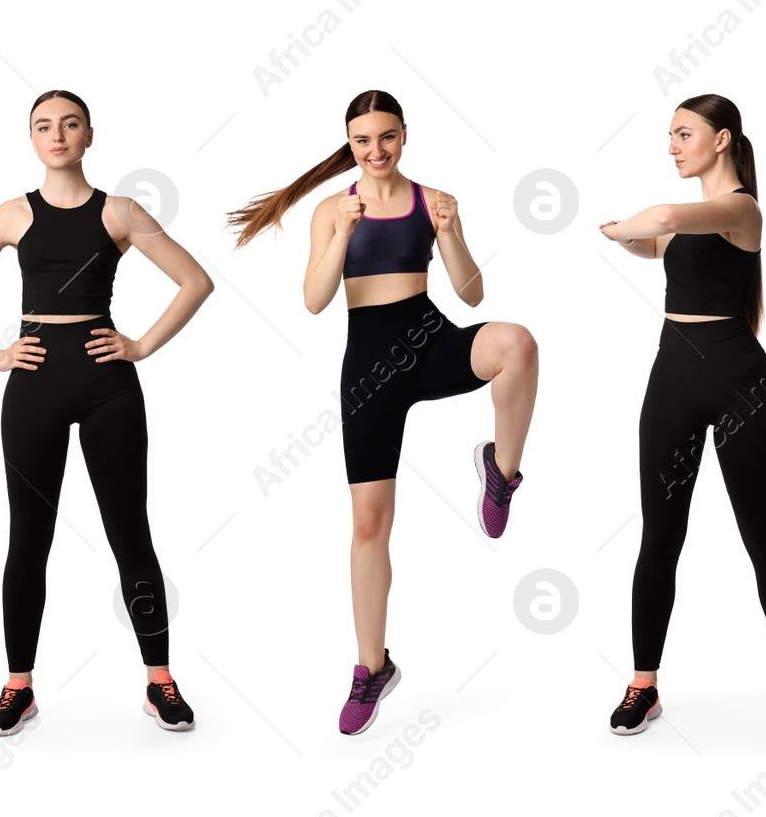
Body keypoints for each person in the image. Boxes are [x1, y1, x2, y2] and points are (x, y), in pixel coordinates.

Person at [226, 90, 540, 735]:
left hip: (430, 339)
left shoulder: (433, 200)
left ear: (405, 137)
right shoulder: (331, 209)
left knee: (517, 344)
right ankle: (372, 668)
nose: (376, 151)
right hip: (369, 366)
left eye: (387, 138)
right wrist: (340, 232)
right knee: (369, 524)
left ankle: (501, 472)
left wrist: (450, 233)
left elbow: (473, 291)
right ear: (350, 142)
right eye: (363, 140)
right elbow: (314, 301)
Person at [0, 90, 214, 736]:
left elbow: (196, 281)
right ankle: (18, 687)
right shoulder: (12, 214)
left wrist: (139, 345)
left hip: (107, 383)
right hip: (33, 385)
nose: (56, 134)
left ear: (89, 135)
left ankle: (159, 680)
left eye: (69, 124)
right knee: (28, 538)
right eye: (43, 126)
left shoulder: (120, 211)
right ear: (31, 140)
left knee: (129, 532)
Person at [600, 93, 766, 735]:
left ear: (722, 139)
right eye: (669, 136)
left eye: (682, 134)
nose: (671, 145)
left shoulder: (739, 210)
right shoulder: (691, 220)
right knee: (660, 538)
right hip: (672, 380)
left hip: (741, 386)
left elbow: (668, 215)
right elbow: (658, 243)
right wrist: (623, 238)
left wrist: (625, 226)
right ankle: (643, 685)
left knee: (765, 537)